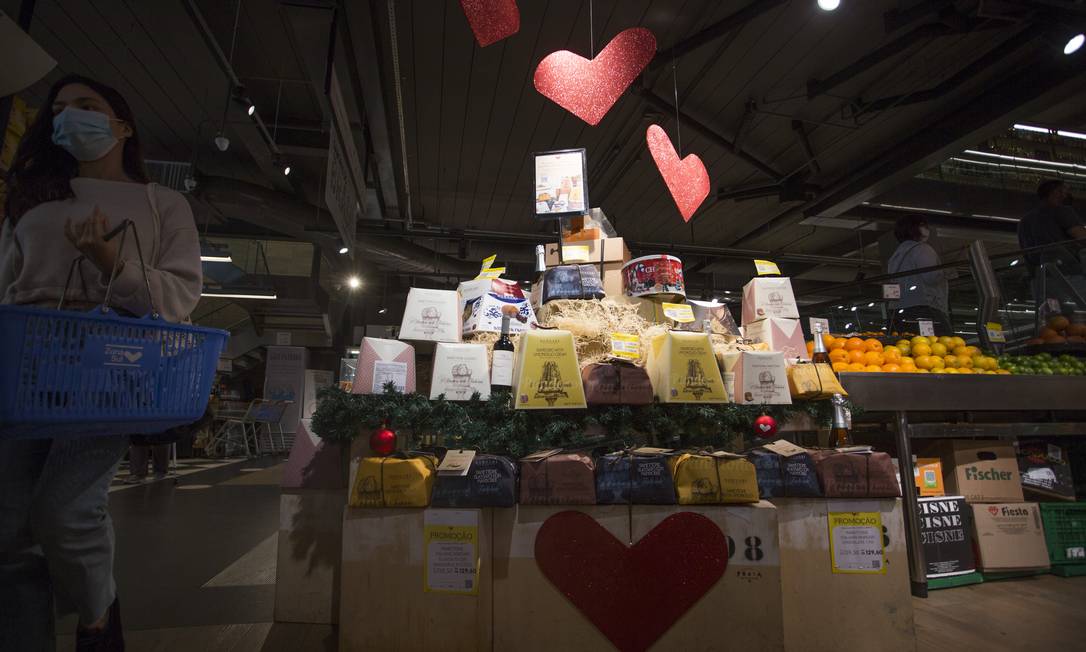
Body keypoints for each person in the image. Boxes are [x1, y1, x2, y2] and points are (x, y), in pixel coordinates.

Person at [0, 75, 202, 651]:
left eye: (87, 107)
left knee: (66, 510)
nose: (70, 118)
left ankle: (97, 617)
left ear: (123, 125)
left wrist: (113, 263)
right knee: (8, 526)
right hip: (27, 362)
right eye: (59, 110)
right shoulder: (32, 202)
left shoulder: (162, 204)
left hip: (111, 368)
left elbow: (180, 296)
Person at [1017, 179, 1086, 311]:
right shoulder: (1062, 211)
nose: (1066, 196)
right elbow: (1081, 236)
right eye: (1064, 192)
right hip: (1068, 276)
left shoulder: (1024, 221)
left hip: (1039, 280)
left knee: (1052, 321)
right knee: (1079, 318)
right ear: (1056, 192)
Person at [886, 214, 953, 335]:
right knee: (937, 347)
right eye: (923, 226)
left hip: (898, 311)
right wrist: (949, 271)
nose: (927, 229)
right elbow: (931, 277)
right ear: (913, 228)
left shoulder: (895, 255)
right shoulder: (923, 249)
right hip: (924, 309)